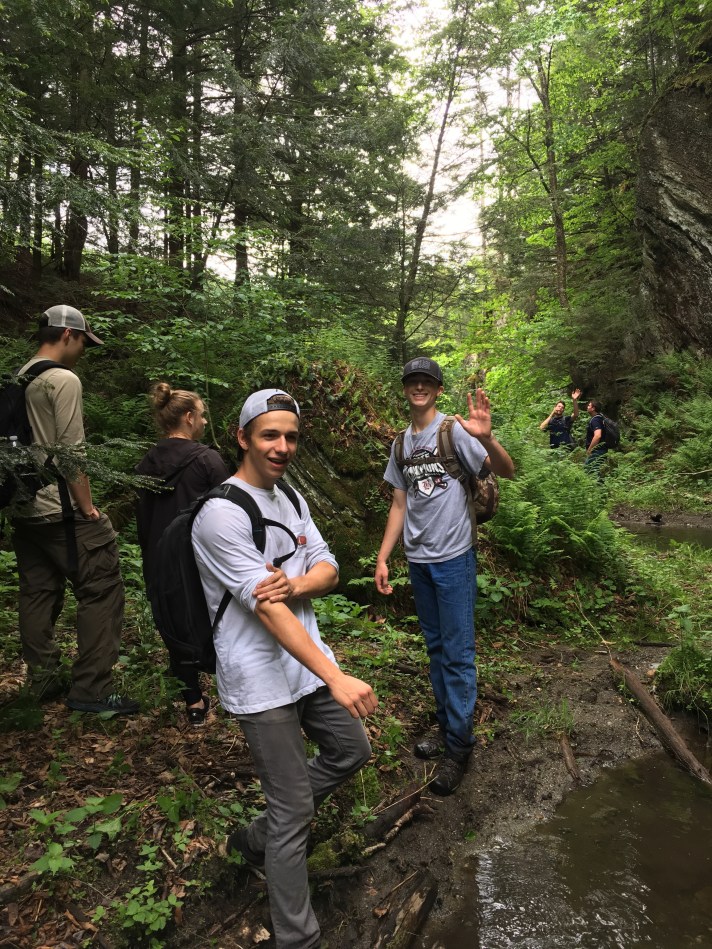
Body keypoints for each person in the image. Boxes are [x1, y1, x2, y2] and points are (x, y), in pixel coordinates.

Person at [192, 388, 377, 949]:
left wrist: (296, 581)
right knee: (294, 807)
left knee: (352, 749)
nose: (282, 447)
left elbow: (329, 568)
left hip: (305, 669)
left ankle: (255, 837)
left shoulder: (291, 498)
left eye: (291, 436)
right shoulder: (220, 514)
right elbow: (269, 612)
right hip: (260, 678)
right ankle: (298, 938)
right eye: (270, 435)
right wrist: (338, 675)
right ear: (242, 437)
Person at [374, 357, 514, 796]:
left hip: (454, 558)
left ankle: (459, 746)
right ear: (406, 389)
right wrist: (383, 558)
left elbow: (506, 471)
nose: (419, 387)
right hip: (418, 561)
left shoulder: (454, 431)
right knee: (436, 649)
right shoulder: (400, 444)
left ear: (436, 389)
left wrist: (487, 436)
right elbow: (399, 504)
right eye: (413, 381)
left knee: (457, 654)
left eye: (427, 382)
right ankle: (447, 727)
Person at [11, 305, 137, 714]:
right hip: (61, 509)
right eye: (84, 340)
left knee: (36, 592)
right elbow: (71, 450)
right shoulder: (62, 379)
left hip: (23, 509)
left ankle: (44, 677)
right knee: (102, 590)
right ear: (67, 334)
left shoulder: (19, 377)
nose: (84, 349)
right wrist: (87, 508)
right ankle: (92, 691)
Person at [135, 383, 230, 726]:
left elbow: (143, 519)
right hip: (203, 562)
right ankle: (235, 693)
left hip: (160, 562)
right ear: (189, 418)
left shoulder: (146, 462)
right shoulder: (208, 460)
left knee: (174, 625)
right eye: (202, 415)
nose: (204, 422)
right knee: (221, 623)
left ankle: (193, 702)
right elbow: (230, 512)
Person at [585, 399, 608, 474]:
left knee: (590, 472)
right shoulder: (601, 418)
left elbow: (597, 435)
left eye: (589, 405)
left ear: (593, 408)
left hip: (597, 451)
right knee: (594, 471)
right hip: (601, 450)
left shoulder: (595, 420)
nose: (587, 407)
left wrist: (590, 449)